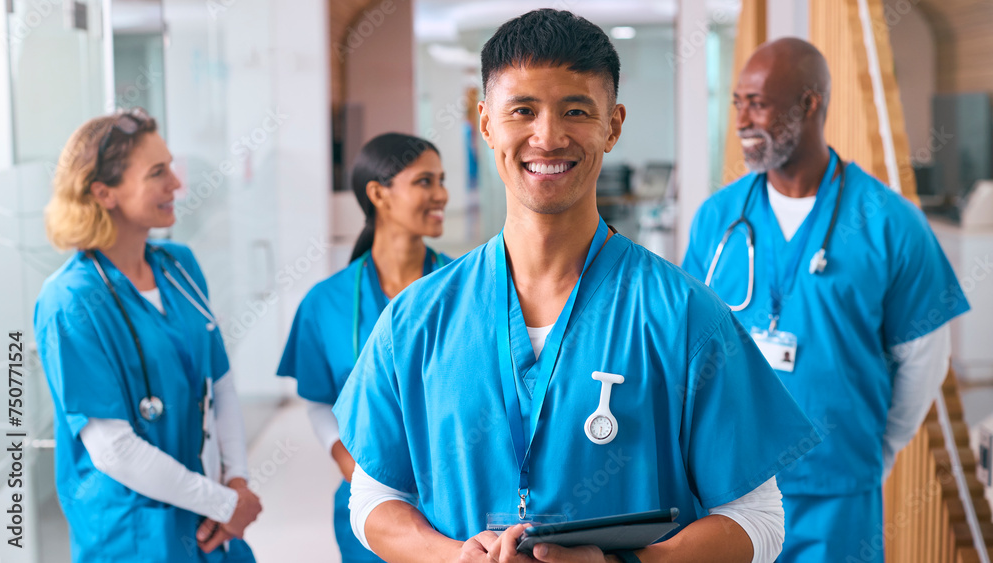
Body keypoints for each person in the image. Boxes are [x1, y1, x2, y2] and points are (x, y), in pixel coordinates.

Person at [333, 10, 819, 563]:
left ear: (613, 125)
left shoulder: (686, 317)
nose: (548, 136)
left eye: (576, 111)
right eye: (522, 111)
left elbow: (759, 520)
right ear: (486, 123)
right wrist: (453, 557)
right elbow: (374, 496)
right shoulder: (415, 320)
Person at [682, 38, 970, 562]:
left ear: (809, 104)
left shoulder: (890, 222)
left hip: (836, 492)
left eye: (759, 103)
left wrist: (873, 450)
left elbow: (924, 361)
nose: (743, 119)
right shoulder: (717, 218)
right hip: (731, 493)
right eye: (737, 103)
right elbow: (689, 350)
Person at [34, 109, 261, 562]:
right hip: (133, 535)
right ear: (104, 193)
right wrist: (224, 502)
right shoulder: (70, 302)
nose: (176, 184)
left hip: (208, 521)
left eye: (171, 167)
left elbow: (220, 384)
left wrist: (236, 481)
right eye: (157, 173)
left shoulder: (180, 267)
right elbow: (113, 448)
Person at [276, 132, 450, 562]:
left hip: (453, 500)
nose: (442, 194)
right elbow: (318, 399)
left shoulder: (465, 288)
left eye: (441, 180)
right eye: (425, 182)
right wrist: (342, 455)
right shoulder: (326, 302)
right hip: (368, 503)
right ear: (379, 194)